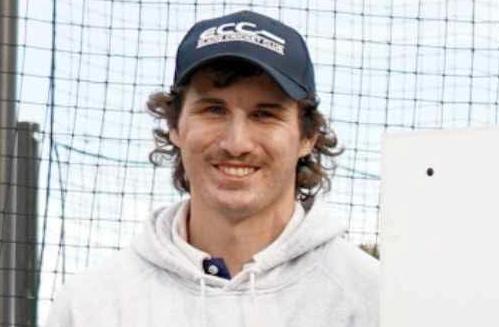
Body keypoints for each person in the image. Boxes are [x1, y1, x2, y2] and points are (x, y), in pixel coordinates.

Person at [46, 10, 379, 327]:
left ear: (307, 136)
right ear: (175, 127)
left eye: (264, 114)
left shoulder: (374, 299)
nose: (237, 143)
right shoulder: (91, 306)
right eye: (213, 110)